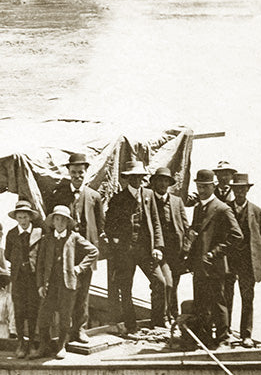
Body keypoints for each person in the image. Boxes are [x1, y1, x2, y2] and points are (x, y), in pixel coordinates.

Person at [47, 152, 105, 343]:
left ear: (86, 172)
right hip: (65, 251)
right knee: (65, 291)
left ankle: (79, 330)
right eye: (74, 172)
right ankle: (63, 332)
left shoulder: (94, 196)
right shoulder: (60, 194)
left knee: (83, 292)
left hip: (85, 252)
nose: (77, 176)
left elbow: (99, 223)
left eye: (80, 172)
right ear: (68, 172)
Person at [104, 161, 165, 334]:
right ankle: (131, 326)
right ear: (127, 179)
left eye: (140, 177)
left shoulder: (149, 195)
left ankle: (158, 323)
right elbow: (108, 225)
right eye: (134, 177)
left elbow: (156, 222)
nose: (137, 180)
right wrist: (116, 242)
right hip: (126, 252)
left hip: (146, 251)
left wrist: (158, 246)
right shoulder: (118, 199)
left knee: (160, 282)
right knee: (126, 288)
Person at [187, 169, 244, 349]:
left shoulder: (222, 208)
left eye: (205, 187)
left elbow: (237, 236)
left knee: (218, 303)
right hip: (199, 266)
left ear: (213, 186)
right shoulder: (198, 208)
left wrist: (215, 252)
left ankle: (222, 338)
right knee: (200, 303)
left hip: (214, 265)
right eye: (199, 186)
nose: (202, 190)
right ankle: (204, 339)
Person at [33, 205, 100, 359]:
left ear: (68, 222)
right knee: (44, 315)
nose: (60, 222)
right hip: (49, 284)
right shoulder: (46, 239)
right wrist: (40, 285)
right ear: (53, 221)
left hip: (68, 284)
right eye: (57, 219)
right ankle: (44, 346)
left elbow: (93, 251)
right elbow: (40, 265)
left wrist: (79, 268)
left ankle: (61, 347)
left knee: (65, 315)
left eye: (63, 220)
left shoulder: (74, 237)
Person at [225, 173, 261, 347]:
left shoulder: (258, 212)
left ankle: (246, 335)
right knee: (226, 296)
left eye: (243, 189)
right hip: (228, 259)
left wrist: (254, 258)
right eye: (236, 189)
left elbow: (260, 240)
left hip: (247, 262)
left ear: (247, 190)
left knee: (247, 298)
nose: (239, 192)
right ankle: (225, 331)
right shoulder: (224, 208)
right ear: (232, 190)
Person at [148, 167, 190, 326]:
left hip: (176, 251)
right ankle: (160, 318)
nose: (163, 184)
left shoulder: (176, 201)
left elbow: (186, 227)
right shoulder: (149, 200)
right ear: (154, 182)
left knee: (174, 286)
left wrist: (186, 248)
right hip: (158, 251)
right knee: (164, 284)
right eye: (160, 180)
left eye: (166, 181)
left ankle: (173, 316)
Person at [5, 201, 42, 358]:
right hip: (19, 278)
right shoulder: (12, 234)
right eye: (20, 217)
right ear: (16, 218)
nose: (23, 220)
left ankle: (32, 342)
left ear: (30, 217)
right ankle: (21, 342)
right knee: (19, 311)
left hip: (33, 278)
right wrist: (18, 263)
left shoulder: (39, 233)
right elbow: (7, 254)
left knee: (33, 310)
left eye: (25, 217)